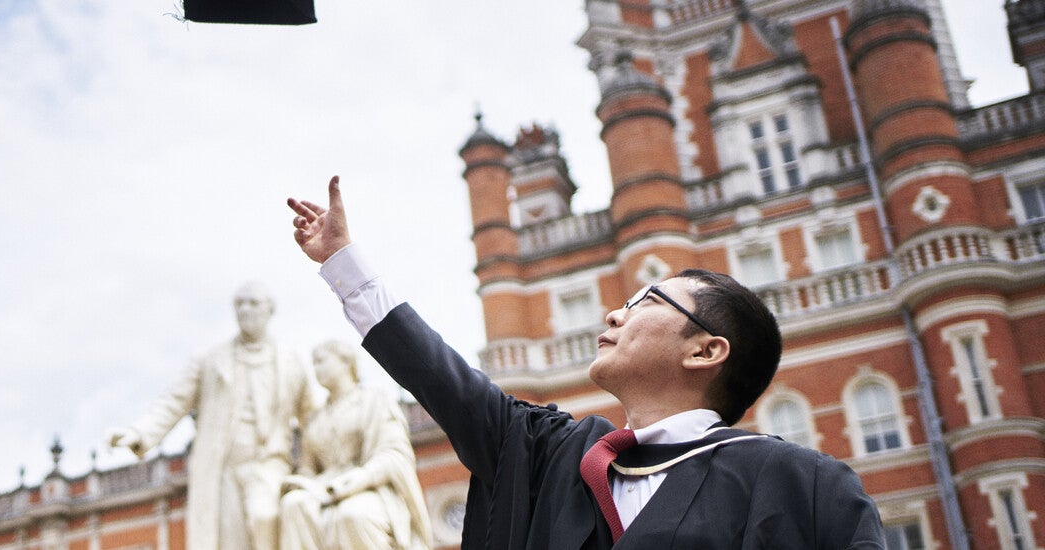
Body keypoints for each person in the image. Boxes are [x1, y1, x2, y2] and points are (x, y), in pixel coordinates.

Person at [285, 176, 883, 548]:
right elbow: (446, 382)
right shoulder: (555, 456)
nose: (615, 315)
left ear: (705, 350)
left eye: (647, 300)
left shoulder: (802, 486)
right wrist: (343, 262)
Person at [109, 282, 318, 550]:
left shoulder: (291, 361)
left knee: (263, 516)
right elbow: (173, 400)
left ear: (269, 309)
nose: (245, 310)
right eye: (239, 304)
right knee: (231, 541)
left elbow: (313, 417)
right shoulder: (211, 361)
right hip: (224, 466)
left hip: (270, 463)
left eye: (253, 303)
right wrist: (139, 433)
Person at [279, 340, 432, 549]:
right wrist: (300, 481)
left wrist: (361, 478)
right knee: (293, 504)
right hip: (323, 487)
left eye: (321, 361)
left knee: (352, 514)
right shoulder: (314, 418)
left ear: (345, 361)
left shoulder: (375, 400)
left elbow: (394, 452)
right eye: (313, 364)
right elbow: (308, 466)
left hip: (370, 486)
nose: (315, 369)